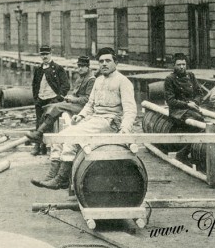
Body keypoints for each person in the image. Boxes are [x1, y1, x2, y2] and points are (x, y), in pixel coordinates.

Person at [32, 47, 137, 190]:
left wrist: (125, 129)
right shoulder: (99, 80)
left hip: (110, 122)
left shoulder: (123, 82)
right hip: (94, 120)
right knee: (60, 137)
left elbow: (130, 109)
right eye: (101, 61)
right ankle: (52, 176)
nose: (104, 64)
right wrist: (81, 115)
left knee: (71, 138)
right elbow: (90, 104)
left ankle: (61, 179)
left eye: (108, 61)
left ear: (116, 62)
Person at [27, 56, 95, 186]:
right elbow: (76, 94)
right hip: (76, 105)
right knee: (48, 108)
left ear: (88, 66)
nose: (79, 68)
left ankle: (39, 133)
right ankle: (51, 174)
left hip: (82, 108)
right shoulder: (80, 78)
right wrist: (70, 97)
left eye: (82, 66)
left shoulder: (91, 80)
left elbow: (87, 100)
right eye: (78, 66)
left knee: (57, 106)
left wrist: (73, 99)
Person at [31, 45, 70, 156]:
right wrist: (36, 98)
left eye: (46, 54)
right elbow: (34, 85)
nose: (44, 57)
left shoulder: (58, 68)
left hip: (52, 100)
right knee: (39, 122)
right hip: (40, 99)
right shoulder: (38, 69)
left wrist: (57, 99)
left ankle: (49, 147)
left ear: (50, 54)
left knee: (48, 122)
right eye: (42, 54)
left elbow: (66, 86)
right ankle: (38, 146)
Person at [163, 53, 205, 156]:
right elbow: (170, 101)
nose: (182, 67)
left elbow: (199, 93)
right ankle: (184, 153)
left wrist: (195, 102)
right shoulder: (170, 79)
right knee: (199, 120)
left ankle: (186, 152)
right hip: (178, 111)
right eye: (179, 64)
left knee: (200, 120)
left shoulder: (190, 75)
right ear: (174, 65)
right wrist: (187, 104)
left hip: (191, 108)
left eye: (184, 64)